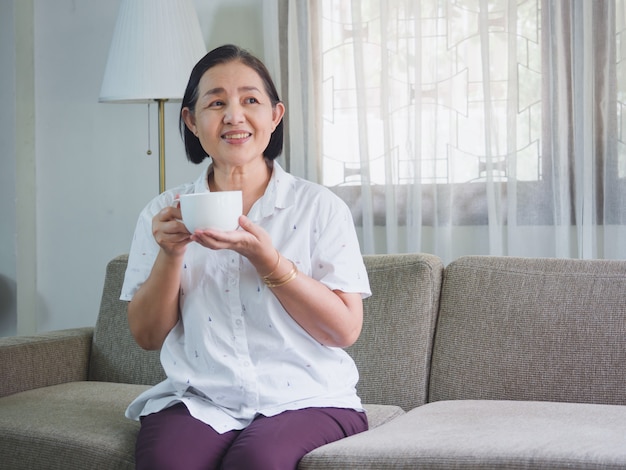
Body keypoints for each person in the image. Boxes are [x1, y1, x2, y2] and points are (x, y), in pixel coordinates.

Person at [120, 44, 371, 470]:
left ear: (275, 115)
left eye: (250, 100)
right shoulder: (163, 212)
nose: (234, 115)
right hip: (201, 399)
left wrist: (270, 263)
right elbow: (146, 336)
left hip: (309, 397)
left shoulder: (319, 208)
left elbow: (344, 329)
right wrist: (171, 253)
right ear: (191, 121)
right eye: (216, 102)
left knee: (256, 460)